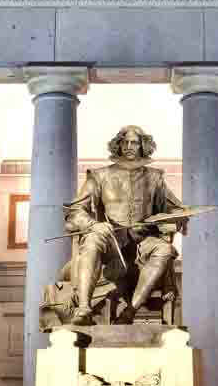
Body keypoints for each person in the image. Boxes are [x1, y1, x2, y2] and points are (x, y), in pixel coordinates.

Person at [61, 125, 184, 324]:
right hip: (111, 240)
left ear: (143, 145)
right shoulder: (99, 176)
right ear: (118, 145)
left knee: (165, 249)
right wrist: (93, 224)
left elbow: (177, 210)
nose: (129, 146)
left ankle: (130, 311)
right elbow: (75, 210)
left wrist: (167, 221)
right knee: (92, 240)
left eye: (134, 142)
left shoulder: (155, 178)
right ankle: (83, 309)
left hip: (143, 240)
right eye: (124, 142)